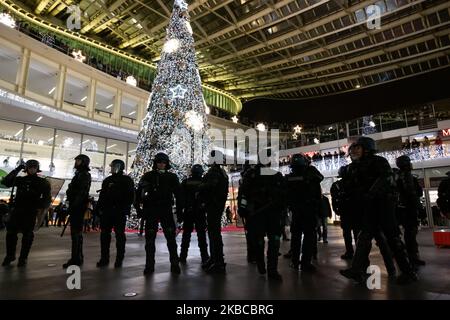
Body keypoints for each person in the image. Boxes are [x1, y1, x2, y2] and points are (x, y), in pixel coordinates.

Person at [340, 137, 417, 285]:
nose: (354, 150)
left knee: (393, 239)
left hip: (383, 205)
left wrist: (371, 193)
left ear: (367, 148)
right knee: (363, 238)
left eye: (358, 147)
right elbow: (352, 186)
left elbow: (385, 178)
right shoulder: (354, 166)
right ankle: (356, 271)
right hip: (367, 207)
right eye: (353, 148)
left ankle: (408, 272)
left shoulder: (379, 161)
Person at [135, 153, 182, 275]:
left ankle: (174, 263)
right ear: (155, 163)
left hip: (165, 210)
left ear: (167, 163)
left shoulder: (172, 177)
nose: (161, 164)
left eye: (163, 162)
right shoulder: (148, 176)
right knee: (150, 240)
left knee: (171, 238)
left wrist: (180, 211)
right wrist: (138, 209)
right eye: (159, 162)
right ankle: (149, 265)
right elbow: (138, 192)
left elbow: (179, 195)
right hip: (151, 210)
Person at [238, 163, 286, 280]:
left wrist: (281, 206)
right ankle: (263, 265)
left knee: (272, 241)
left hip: (270, 213)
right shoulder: (252, 175)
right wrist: (243, 208)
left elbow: (284, 195)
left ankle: (271, 269)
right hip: (257, 213)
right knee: (261, 241)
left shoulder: (276, 175)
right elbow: (243, 194)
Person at [1, 160, 51, 267]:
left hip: (31, 212)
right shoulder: (20, 180)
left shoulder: (42, 182)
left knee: (27, 236)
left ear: (37, 169)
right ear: (26, 168)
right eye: (30, 167)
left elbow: (47, 199)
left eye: (34, 167)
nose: (32, 169)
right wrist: (17, 169)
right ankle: (10, 256)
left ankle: (23, 258)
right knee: (10, 234)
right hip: (17, 210)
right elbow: (5, 182)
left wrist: (41, 210)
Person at [285, 153, 323, 272]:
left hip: (297, 211)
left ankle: (295, 261)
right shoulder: (311, 173)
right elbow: (320, 178)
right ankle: (305, 262)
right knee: (308, 237)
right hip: (308, 210)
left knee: (296, 237)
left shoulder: (290, 178)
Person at [96, 159, 135, 268]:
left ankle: (119, 259)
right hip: (107, 211)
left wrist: (123, 207)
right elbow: (102, 196)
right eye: (112, 166)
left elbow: (130, 197)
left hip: (119, 212)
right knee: (104, 235)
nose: (112, 168)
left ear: (119, 167)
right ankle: (104, 258)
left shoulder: (127, 180)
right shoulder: (107, 180)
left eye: (114, 166)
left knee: (120, 235)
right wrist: (98, 209)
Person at [200, 150, 229, 274]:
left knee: (214, 234)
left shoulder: (215, 173)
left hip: (213, 205)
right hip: (215, 205)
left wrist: (201, 188)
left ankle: (218, 261)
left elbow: (209, 187)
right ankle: (215, 259)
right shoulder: (221, 172)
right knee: (213, 234)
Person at [394, 155, 426, 267]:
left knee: (405, 235)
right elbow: (412, 194)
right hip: (408, 209)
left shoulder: (396, 176)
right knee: (410, 234)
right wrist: (420, 209)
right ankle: (412, 258)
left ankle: (408, 256)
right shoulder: (406, 176)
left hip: (400, 209)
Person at [63, 154, 92, 269]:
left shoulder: (84, 175)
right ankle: (77, 257)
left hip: (78, 207)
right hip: (76, 206)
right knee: (76, 234)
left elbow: (82, 192)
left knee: (76, 234)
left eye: (78, 160)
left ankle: (75, 258)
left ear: (84, 162)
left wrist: (74, 205)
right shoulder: (79, 174)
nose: (76, 162)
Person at [179, 164, 209, 265]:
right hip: (199, 212)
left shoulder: (186, 182)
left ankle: (183, 256)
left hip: (189, 211)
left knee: (186, 235)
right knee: (201, 236)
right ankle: (204, 256)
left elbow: (181, 198)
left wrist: (181, 212)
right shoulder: (204, 182)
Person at [331, 165, 358, 259]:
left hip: (345, 212)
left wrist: (336, 210)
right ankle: (358, 253)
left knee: (347, 234)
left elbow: (334, 199)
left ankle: (350, 252)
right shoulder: (356, 183)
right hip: (354, 211)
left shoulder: (336, 185)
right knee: (356, 233)